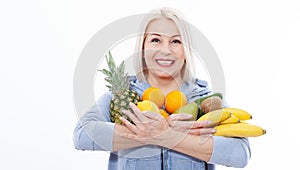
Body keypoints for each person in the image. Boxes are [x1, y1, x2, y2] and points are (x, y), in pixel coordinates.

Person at [73, 7, 251, 170]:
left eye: (175, 41)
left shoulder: (206, 100)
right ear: (143, 47)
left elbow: (240, 153)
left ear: (186, 50)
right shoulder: (122, 97)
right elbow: (82, 135)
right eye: (155, 40)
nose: (165, 50)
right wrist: (157, 131)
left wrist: (166, 135)